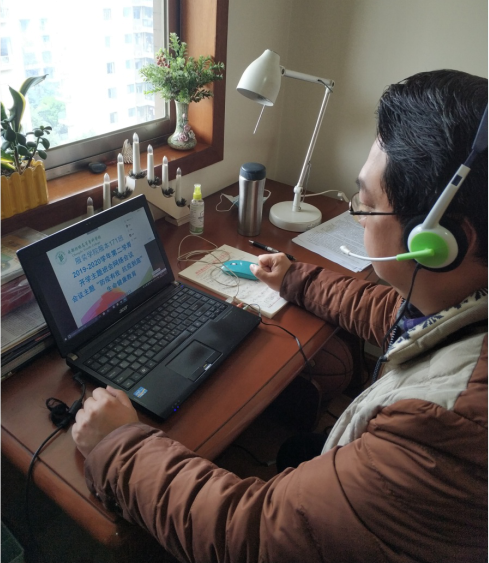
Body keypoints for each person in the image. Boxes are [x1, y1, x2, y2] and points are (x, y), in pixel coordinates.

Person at [72, 69, 489, 563]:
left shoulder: (444, 431)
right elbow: (394, 315)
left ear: (441, 243)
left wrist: (119, 444)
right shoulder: (461, 302)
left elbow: (251, 537)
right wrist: (295, 279)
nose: (357, 215)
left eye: (366, 204)